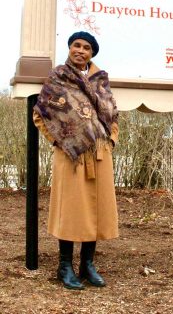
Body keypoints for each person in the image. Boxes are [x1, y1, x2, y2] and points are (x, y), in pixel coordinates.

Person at [33, 31, 119, 290]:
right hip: (71, 156)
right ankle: (65, 267)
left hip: (100, 154)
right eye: (76, 45)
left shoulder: (101, 81)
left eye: (87, 48)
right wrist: (60, 141)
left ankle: (87, 265)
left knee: (96, 212)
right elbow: (41, 114)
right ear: (70, 48)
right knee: (71, 212)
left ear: (92, 53)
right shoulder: (58, 78)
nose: (81, 50)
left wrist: (111, 140)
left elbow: (113, 114)